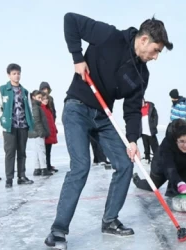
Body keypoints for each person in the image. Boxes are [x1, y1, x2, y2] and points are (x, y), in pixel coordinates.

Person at [44, 12, 173, 248]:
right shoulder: (110, 36)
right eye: (155, 50)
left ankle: (110, 220)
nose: (155, 57)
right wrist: (77, 58)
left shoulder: (142, 74)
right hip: (77, 108)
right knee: (81, 165)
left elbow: (133, 109)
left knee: (125, 164)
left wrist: (132, 140)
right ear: (144, 40)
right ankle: (58, 230)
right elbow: (70, 20)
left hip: (104, 118)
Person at [133, 119, 186, 199]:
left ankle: (172, 189)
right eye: (181, 141)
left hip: (179, 164)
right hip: (161, 167)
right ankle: (137, 180)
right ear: (176, 140)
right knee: (152, 187)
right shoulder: (167, 145)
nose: (185, 145)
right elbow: (169, 168)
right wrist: (179, 183)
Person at [0, 63, 35, 188]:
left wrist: (29, 122)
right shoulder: (2, 89)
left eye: (18, 73)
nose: (17, 76)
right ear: (9, 75)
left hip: (23, 126)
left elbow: (30, 108)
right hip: (9, 127)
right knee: (10, 153)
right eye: (14, 74)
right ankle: (9, 178)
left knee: (22, 152)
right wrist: (2, 118)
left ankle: (21, 176)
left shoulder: (25, 91)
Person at [29, 91, 53, 176]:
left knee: (37, 152)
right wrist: (41, 132)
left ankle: (37, 169)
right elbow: (37, 120)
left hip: (34, 133)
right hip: (38, 133)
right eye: (39, 98)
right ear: (33, 97)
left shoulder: (34, 106)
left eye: (41, 98)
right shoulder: (35, 107)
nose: (40, 99)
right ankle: (44, 169)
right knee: (41, 151)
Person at [39, 81, 58, 172]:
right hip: (44, 128)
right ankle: (44, 166)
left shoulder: (50, 99)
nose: (45, 91)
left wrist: (53, 122)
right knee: (43, 149)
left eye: (46, 89)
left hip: (51, 125)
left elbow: (53, 111)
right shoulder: (40, 100)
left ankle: (48, 165)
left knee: (48, 149)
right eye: (43, 89)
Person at [141, 98, 159, 164]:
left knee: (154, 146)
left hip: (150, 131)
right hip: (143, 131)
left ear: (144, 100)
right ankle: (147, 158)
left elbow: (155, 116)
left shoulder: (150, 107)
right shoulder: (138, 109)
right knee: (145, 145)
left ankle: (158, 158)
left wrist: (154, 125)